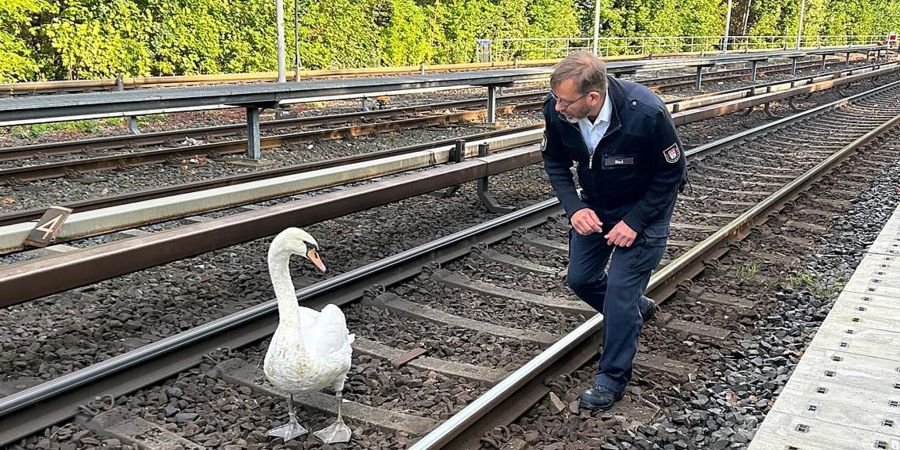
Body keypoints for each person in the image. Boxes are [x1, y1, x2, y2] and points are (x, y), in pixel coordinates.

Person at [541, 51, 686, 411]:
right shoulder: (557, 111)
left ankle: (611, 379)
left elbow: (672, 174)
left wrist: (635, 222)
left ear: (593, 97)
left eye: (565, 100)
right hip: (596, 203)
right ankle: (635, 310)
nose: (558, 107)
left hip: (644, 209)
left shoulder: (646, 112)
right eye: (556, 97)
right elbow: (554, 160)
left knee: (620, 292)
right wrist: (575, 208)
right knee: (580, 278)